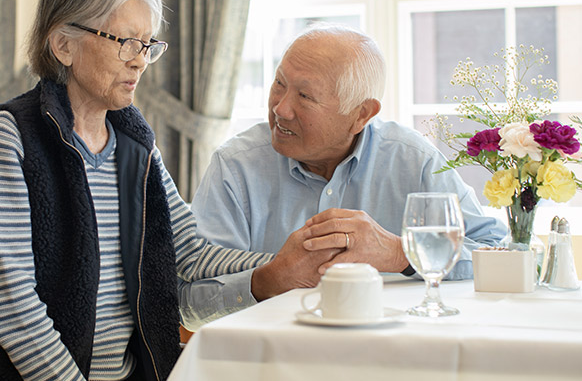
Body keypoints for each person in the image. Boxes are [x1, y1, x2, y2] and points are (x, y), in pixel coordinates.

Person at [0, 0, 331, 381]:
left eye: (148, 44)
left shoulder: (133, 140)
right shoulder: (11, 135)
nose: (140, 62)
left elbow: (190, 253)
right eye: (126, 42)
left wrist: (286, 262)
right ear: (63, 45)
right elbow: (13, 310)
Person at [179, 23, 507, 329]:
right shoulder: (235, 166)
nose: (280, 108)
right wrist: (270, 279)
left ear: (362, 114)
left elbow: (503, 253)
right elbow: (186, 300)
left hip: (395, 361)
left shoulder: (412, 160)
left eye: (305, 96)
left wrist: (400, 252)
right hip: (271, 364)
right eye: (279, 83)